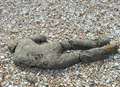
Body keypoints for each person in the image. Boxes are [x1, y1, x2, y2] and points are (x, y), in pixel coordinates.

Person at [8, 35, 119, 69]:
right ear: (16, 42)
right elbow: (42, 37)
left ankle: (108, 50)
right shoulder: (25, 40)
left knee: (79, 56)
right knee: (70, 43)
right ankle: (99, 42)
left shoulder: (16, 59)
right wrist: (43, 42)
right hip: (51, 47)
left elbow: (30, 66)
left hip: (49, 61)